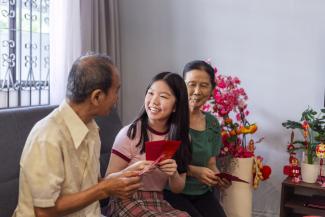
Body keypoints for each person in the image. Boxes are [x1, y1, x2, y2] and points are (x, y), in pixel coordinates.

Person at [12, 54, 142, 217]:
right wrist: (105, 188)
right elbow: (43, 211)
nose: (116, 99)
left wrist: (118, 180)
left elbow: (87, 186)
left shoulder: (92, 129)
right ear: (97, 97)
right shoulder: (47, 137)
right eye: (116, 91)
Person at [106, 72, 191, 217]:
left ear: (176, 106)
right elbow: (107, 180)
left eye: (163, 96)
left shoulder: (182, 137)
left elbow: (178, 188)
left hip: (157, 200)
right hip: (125, 199)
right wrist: (133, 170)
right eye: (150, 93)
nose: (154, 101)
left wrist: (173, 174)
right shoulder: (130, 133)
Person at [164, 60, 231, 217]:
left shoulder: (212, 123)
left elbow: (211, 163)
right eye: (191, 84)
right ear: (182, 86)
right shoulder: (169, 119)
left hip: (202, 193)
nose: (196, 91)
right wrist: (193, 171)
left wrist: (218, 177)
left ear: (212, 89)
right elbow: (161, 162)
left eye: (204, 85)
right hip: (171, 192)